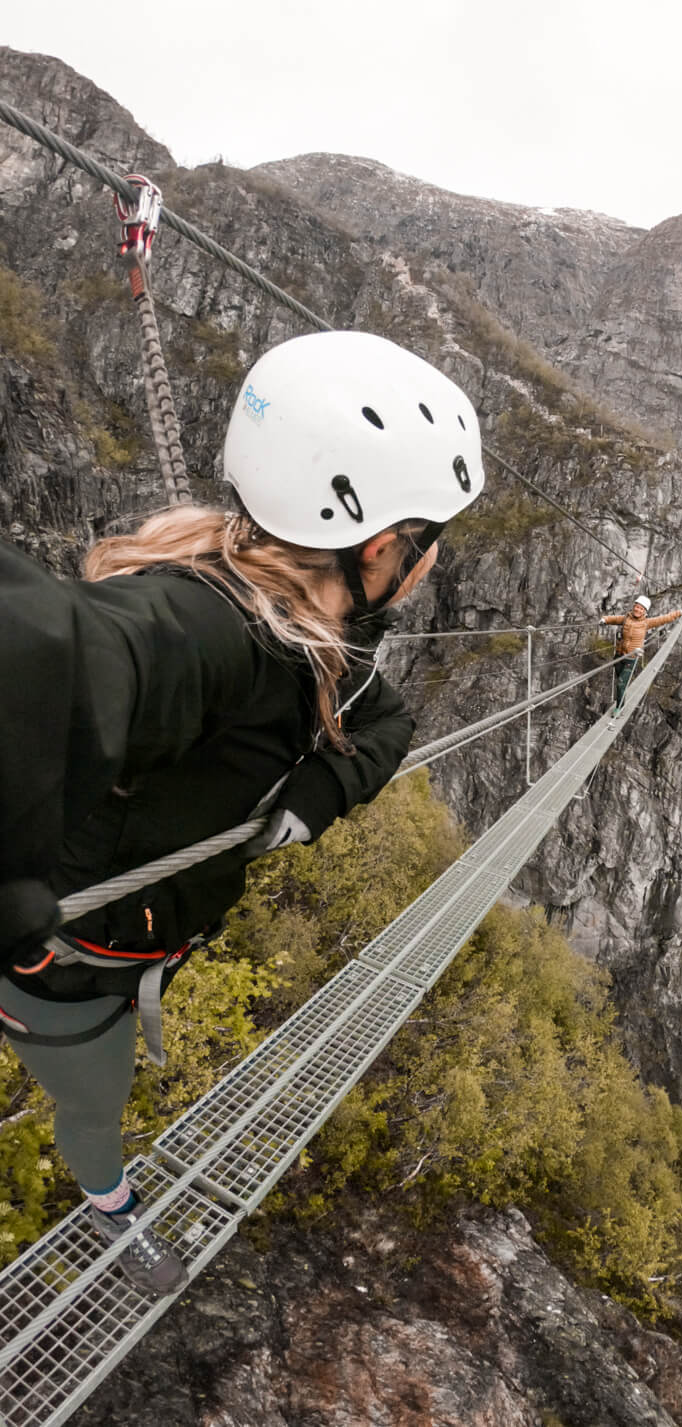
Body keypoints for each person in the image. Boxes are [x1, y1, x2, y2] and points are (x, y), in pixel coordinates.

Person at [0, 330, 484, 1297]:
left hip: (95, 944)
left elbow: (383, 718)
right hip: (68, 971)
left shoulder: (312, 637)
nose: (428, 565)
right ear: (384, 547)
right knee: (93, 1107)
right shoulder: (218, 630)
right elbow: (69, 658)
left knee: (91, 1100)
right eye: (429, 543)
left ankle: (105, 1199)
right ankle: (113, 1209)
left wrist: (316, 794)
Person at [599, 595, 682, 713]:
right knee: (620, 682)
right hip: (618, 655)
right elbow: (614, 619)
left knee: (620, 684)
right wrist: (604, 620)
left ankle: (619, 707)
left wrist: (680, 612)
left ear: (645, 612)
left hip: (631, 658)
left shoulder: (646, 623)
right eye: (637, 607)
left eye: (641, 609)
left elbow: (664, 618)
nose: (638, 610)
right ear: (634, 607)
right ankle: (621, 699)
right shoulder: (625, 619)